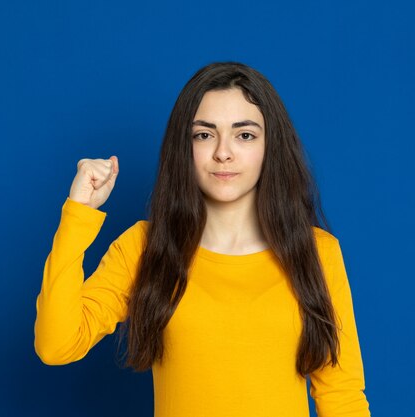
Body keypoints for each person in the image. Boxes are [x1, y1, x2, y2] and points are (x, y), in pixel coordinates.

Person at [34, 62, 371, 417]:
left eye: (244, 135)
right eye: (204, 134)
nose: (223, 152)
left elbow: (342, 396)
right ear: (185, 146)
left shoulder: (316, 252)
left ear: (269, 146)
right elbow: (56, 345)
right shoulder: (145, 247)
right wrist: (78, 214)